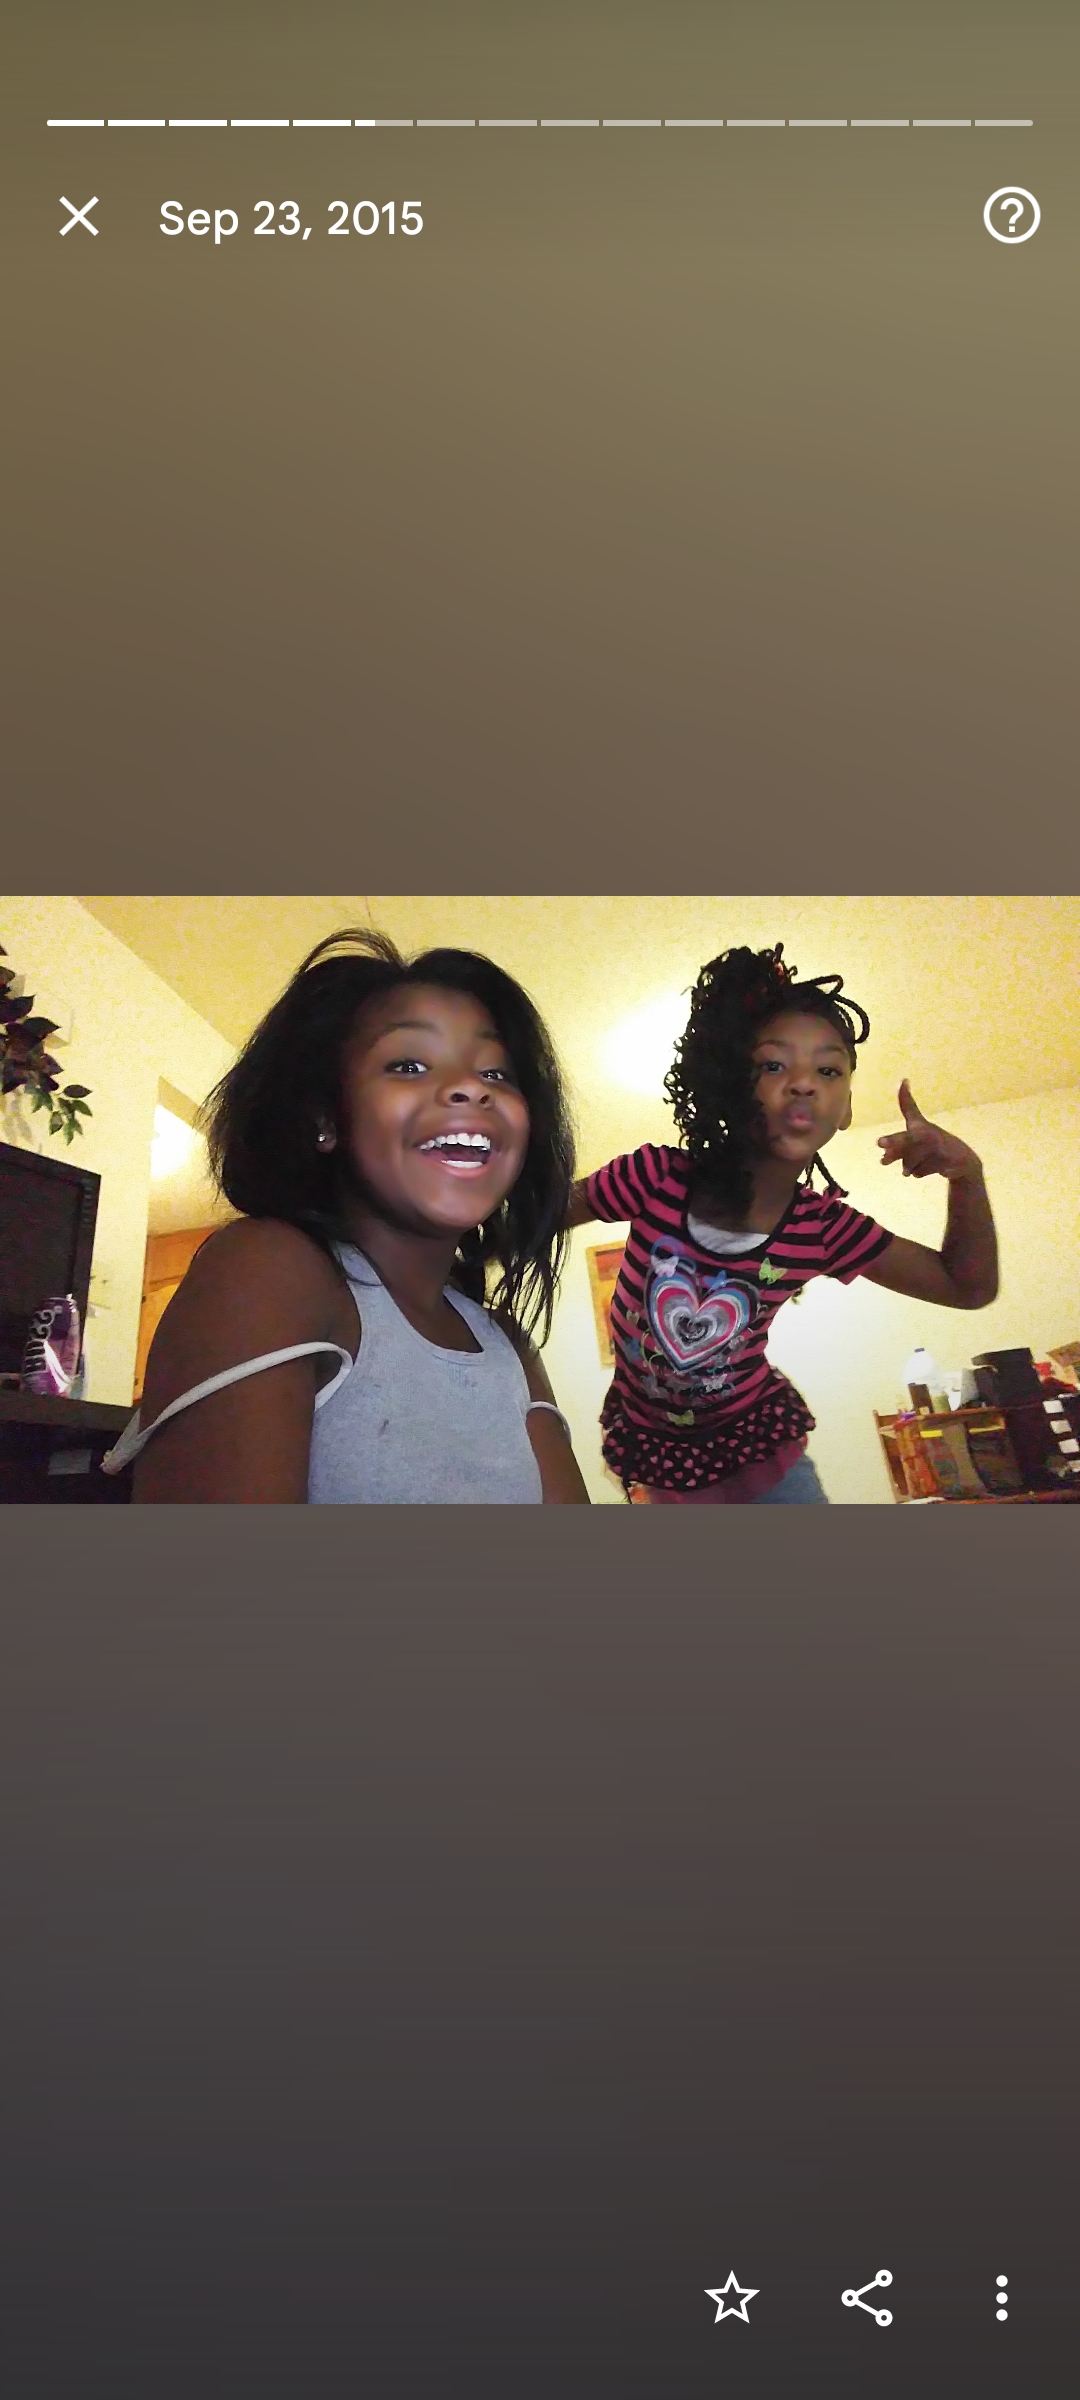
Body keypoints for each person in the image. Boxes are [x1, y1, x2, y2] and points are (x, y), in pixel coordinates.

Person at [105, 931, 589, 1503]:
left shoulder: (507, 1346)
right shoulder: (267, 1267)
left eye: (495, 1073)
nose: (469, 1088)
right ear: (325, 1120)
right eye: (409, 1064)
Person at [569, 942, 998, 1503]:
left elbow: (967, 1288)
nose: (803, 1084)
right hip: (656, 1462)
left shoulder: (824, 1229)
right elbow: (525, 1220)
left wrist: (967, 1176)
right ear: (730, 1085)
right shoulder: (655, 1177)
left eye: (828, 1070)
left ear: (845, 1110)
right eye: (774, 1065)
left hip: (763, 1453)